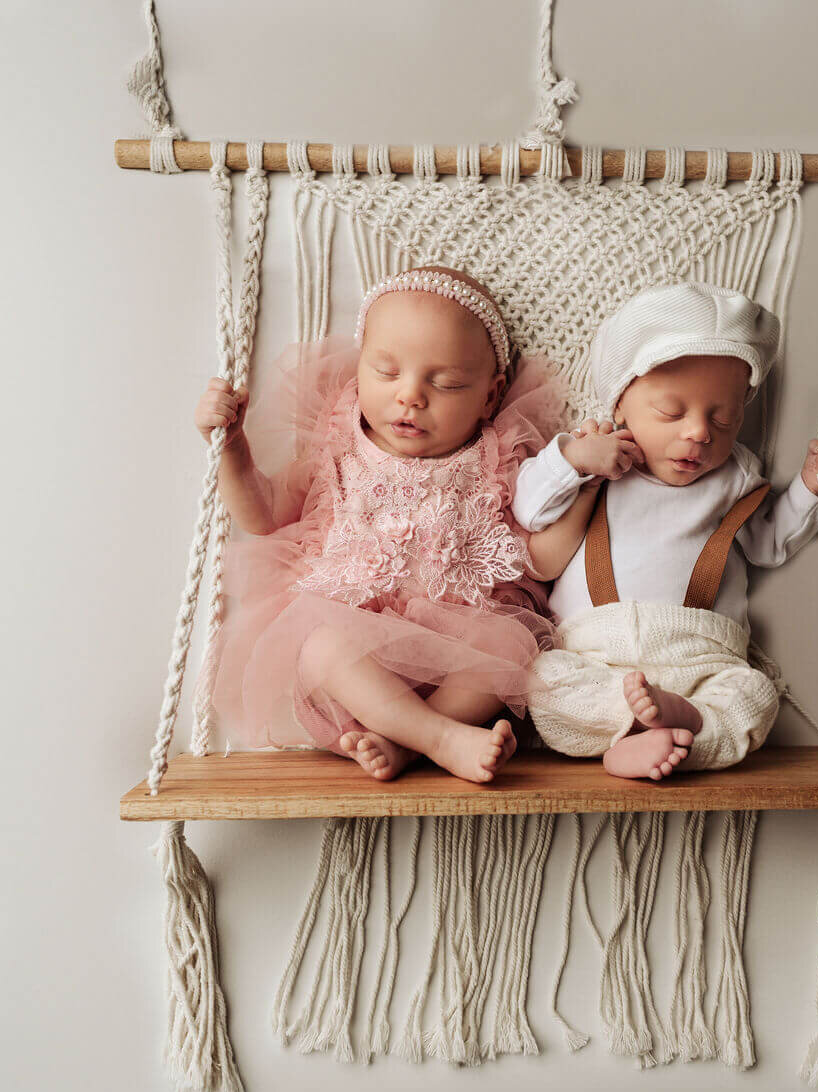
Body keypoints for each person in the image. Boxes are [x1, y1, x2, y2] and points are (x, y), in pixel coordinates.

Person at [195, 266, 561, 783]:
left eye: (448, 382)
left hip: (454, 657)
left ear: (490, 394)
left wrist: (583, 482)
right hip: (356, 665)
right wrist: (233, 448)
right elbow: (263, 513)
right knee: (318, 643)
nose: (410, 395)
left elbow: (534, 555)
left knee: (511, 647)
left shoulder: (497, 460)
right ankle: (436, 738)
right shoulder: (337, 449)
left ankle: (410, 742)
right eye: (387, 372)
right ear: (359, 368)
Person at [513, 281, 818, 780]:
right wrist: (574, 461)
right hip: (596, 651)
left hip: (702, 650)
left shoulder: (735, 477)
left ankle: (690, 724)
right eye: (671, 413)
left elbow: (767, 543)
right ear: (620, 402)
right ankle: (636, 733)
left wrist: (808, 488)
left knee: (753, 694)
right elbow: (529, 511)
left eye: (725, 419)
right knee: (545, 680)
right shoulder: (594, 455)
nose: (699, 433)